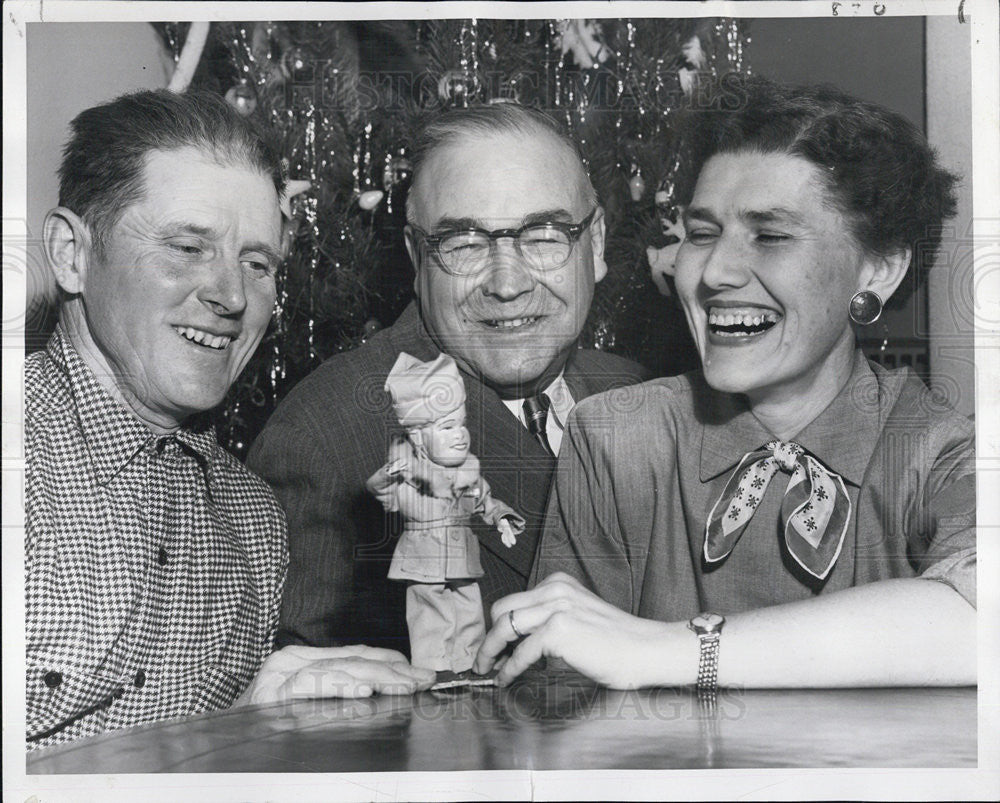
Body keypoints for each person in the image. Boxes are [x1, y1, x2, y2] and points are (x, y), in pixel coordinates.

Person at [474, 77, 976, 691]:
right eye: (703, 234)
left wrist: (667, 651)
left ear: (878, 269)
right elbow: (555, 686)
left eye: (770, 236)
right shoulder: (617, 438)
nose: (714, 272)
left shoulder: (939, 452)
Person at [26, 90, 431, 750]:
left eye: (256, 263)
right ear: (72, 253)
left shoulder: (253, 520)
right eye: (188, 247)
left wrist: (248, 720)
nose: (232, 296)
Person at [247, 103, 649, 655]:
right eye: (464, 244)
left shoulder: (641, 397)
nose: (507, 284)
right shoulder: (325, 440)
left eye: (544, 235)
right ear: (417, 258)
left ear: (595, 244)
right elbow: (322, 721)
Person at [368, 352, 525, 674]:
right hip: (423, 555)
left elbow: (485, 501)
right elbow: (380, 490)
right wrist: (388, 475)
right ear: (418, 438)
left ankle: (469, 662)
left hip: (461, 553)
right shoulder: (407, 473)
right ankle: (434, 668)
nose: (460, 434)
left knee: (469, 608)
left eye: (462, 424)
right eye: (447, 427)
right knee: (430, 611)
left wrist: (502, 518)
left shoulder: (469, 471)